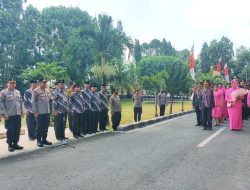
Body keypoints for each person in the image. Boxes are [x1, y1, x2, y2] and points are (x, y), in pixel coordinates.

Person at [0, 79, 24, 152]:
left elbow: (20, 102)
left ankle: (15, 144)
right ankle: (10, 145)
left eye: (14, 83)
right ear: (7, 83)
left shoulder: (17, 92)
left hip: (17, 114)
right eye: (11, 83)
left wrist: (22, 111)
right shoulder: (3, 92)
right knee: (10, 130)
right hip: (9, 115)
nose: (12, 84)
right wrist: (4, 114)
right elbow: (1, 104)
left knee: (17, 129)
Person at [32, 78, 52, 147]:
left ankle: (44, 139)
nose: (44, 83)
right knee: (39, 128)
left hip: (47, 112)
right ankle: (38, 141)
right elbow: (33, 102)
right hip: (40, 113)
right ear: (39, 83)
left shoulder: (47, 90)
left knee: (45, 127)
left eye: (45, 82)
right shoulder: (36, 91)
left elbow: (49, 99)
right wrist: (35, 112)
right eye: (43, 82)